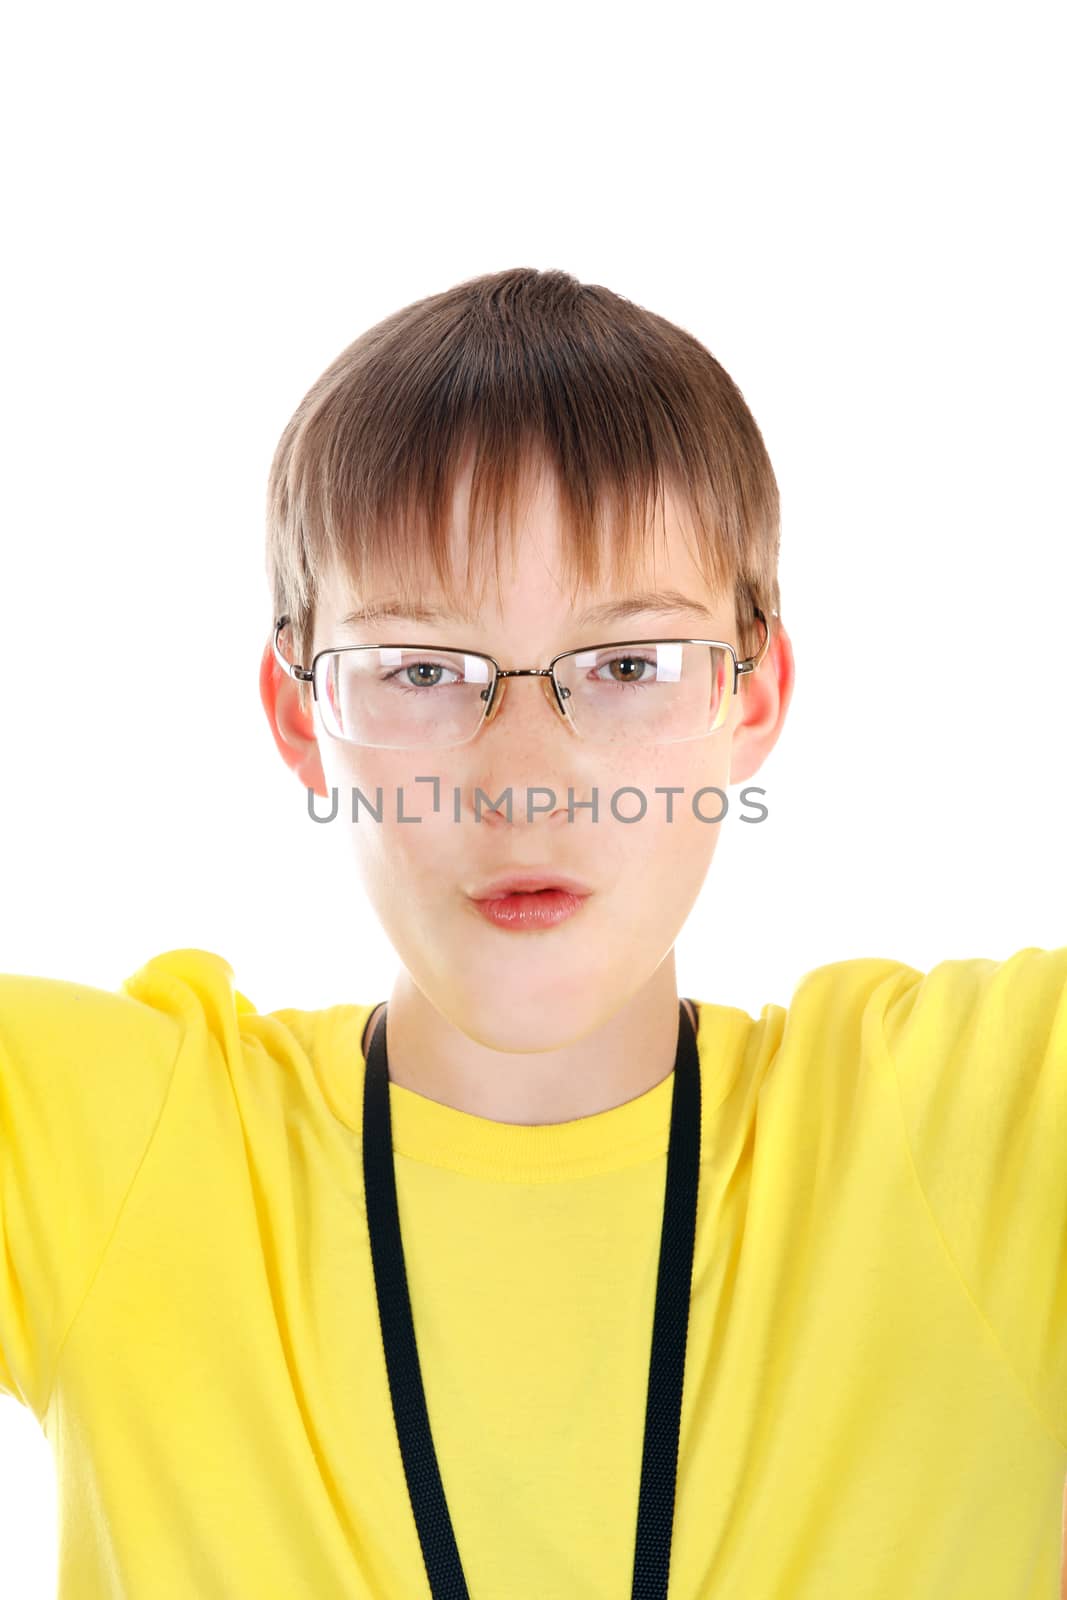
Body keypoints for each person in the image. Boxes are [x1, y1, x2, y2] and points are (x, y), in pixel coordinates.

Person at [1, 266, 1064, 1598]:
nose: (523, 782)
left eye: (626, 667)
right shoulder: (116, 1140)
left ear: (758, 694)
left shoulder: (982, 1120)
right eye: (422, 673)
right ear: (297, 717)